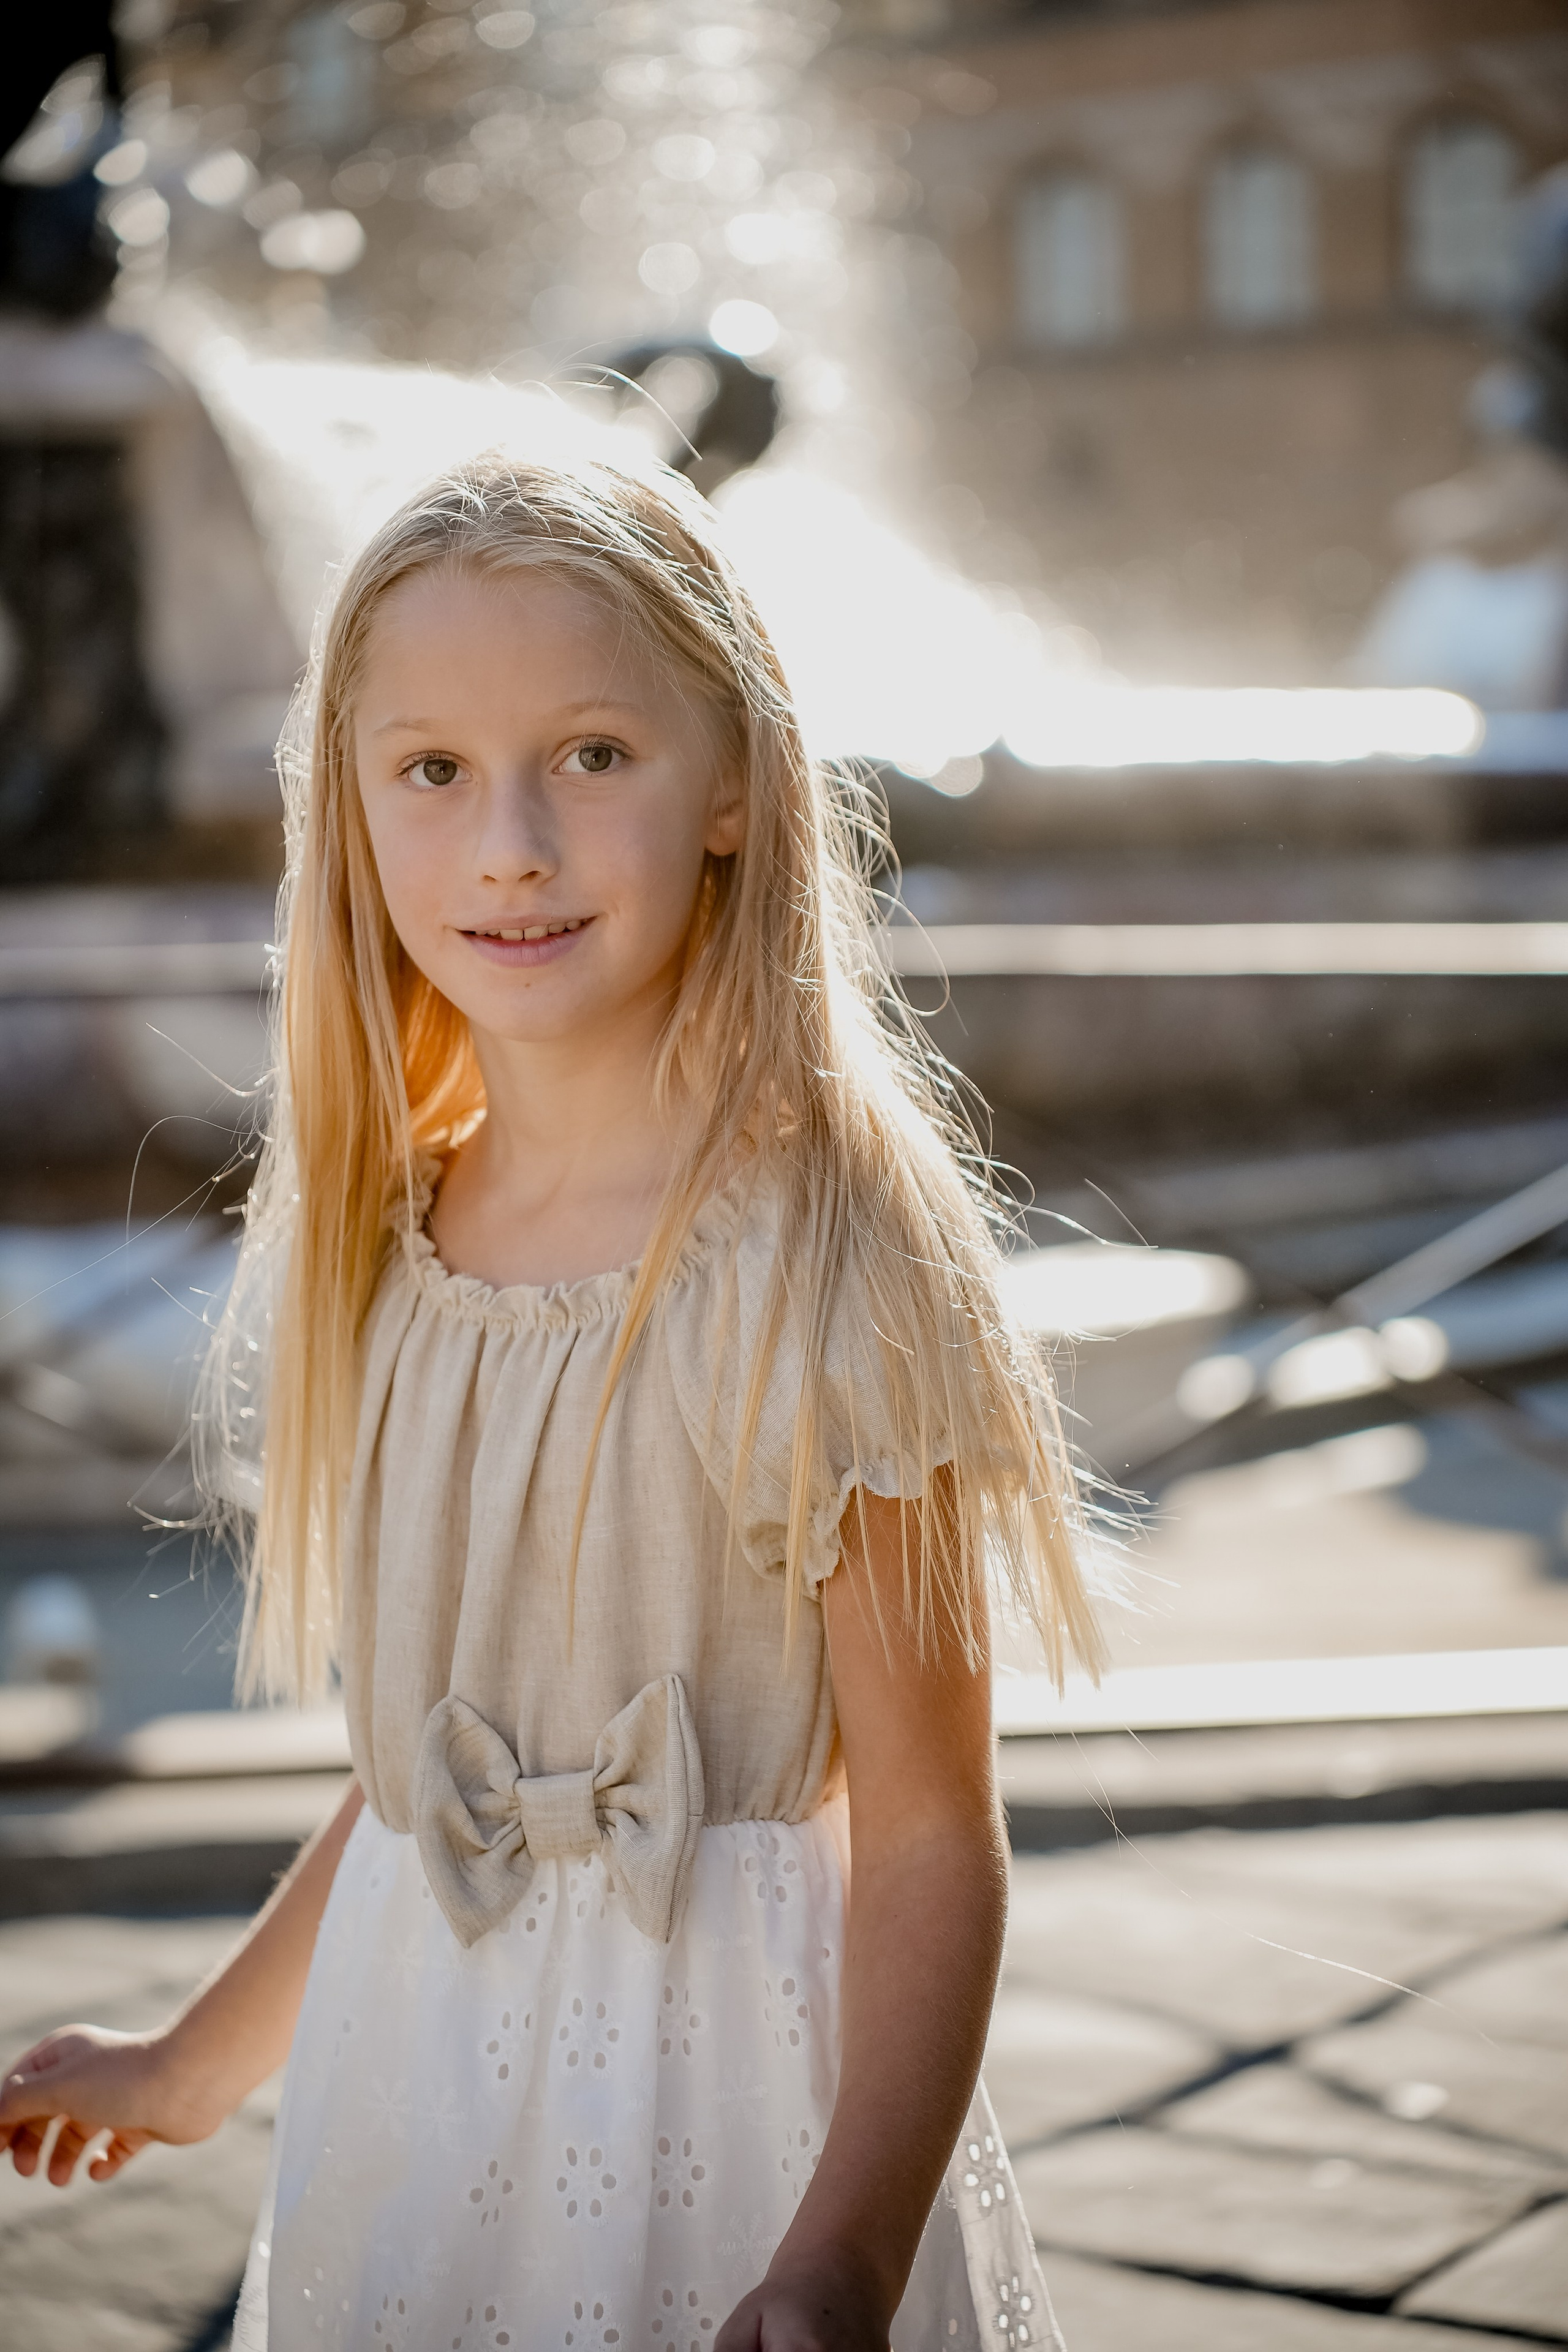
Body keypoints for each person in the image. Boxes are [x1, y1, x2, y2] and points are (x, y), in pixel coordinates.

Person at [0, 454, 1101, 2348]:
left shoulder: (824, 1263)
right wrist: (196, 2064)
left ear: (739, 786)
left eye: (592, 754)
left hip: (746, 2115)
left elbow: (930, 1838)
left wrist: (840, 2251)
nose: (508, 844)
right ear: (347, 811)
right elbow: (434, 1779)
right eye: (432, 771)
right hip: (418, 2083)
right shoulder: (395, 1238)